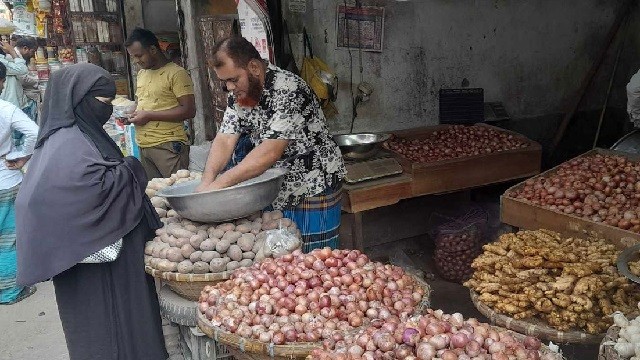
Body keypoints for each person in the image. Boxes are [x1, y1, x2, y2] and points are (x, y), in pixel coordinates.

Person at [14, 64, 167, 359]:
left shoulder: (73, 138)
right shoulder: (68, 144)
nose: (108, 110)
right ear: (78, 99)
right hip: (96, 266)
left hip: (102, 260)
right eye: (102, 102)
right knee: (109, 333)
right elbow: (70, 194)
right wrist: (132, 169)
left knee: (122, 327)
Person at [196, 36, 346, 252]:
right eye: (224, 82)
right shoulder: (239, 94)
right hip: (275, 187)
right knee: (281, 262)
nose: (229, 88)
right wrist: (206, 182)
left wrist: (219, 186)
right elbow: (225, 138)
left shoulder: (288, 90)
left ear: (254, 67)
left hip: (312, 184)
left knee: (316, 260)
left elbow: (270, 152)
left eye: (234, 79)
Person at [125, 28, 196, 179]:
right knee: (156, 196)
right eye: (133, 57)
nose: (136, 61)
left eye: (139, 55)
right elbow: (141, 102)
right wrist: (131, 113)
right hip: (144, 145)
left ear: (152, 49)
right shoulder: (142, 73)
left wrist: (149, 115)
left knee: (177, 192)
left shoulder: (176, 73)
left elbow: (189, 110)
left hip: (168, 145)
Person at [0, 62, 38, 305]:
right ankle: (9, 292)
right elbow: (34, 132)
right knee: (8, 240)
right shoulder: (6, 109)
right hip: (6, 178)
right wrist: (22, 155)